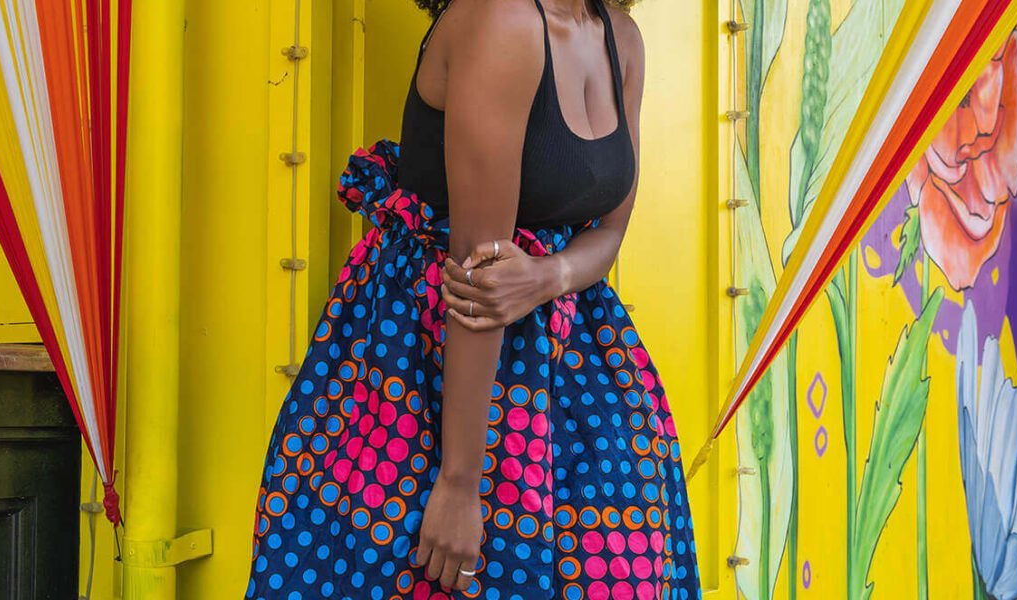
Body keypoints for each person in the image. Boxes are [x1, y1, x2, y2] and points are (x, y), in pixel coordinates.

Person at [243, 0, 700, 598]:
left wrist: (549, 276)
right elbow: (478, 281)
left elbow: (609, 233)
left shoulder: (621, 37)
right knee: (412, 569)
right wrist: (460, 483)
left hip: (568, 350)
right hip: (429, 361)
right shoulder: (500, 21)